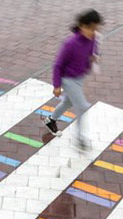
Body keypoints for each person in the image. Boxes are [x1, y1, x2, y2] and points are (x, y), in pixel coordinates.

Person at [43, 9, 103, 151]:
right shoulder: (70, 44)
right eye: (90, 28)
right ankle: (81, 139)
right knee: (82, 107)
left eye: (96, 29)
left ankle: (51, 120)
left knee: (68, 102)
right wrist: (57, 85)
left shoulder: (93, 38)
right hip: (68, 79)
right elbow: (57, 65)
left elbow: (93, 52)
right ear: (82, 26)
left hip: (80, 77)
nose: (93, 32)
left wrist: (94, 58)